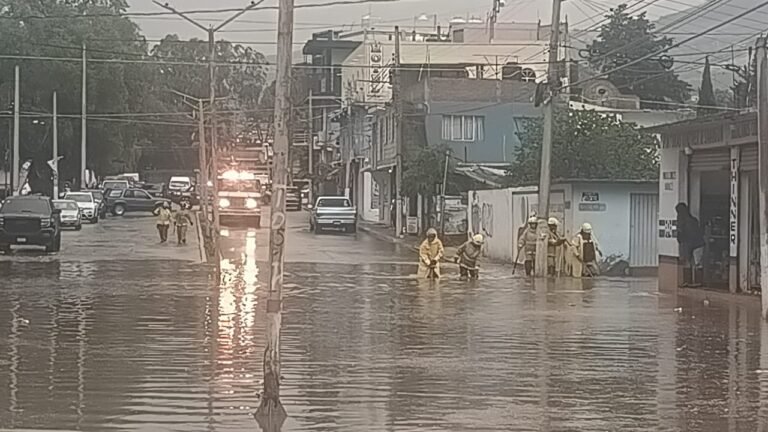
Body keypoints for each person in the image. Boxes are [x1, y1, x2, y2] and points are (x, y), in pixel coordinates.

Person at [675, 202, 705, 287]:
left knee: (692, 263)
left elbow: (686, 236)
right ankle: (695, 282)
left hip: (695, 244)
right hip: (696, 244)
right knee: (695, 263)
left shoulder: (685, 222)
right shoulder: (693, 220)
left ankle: (691, 282)